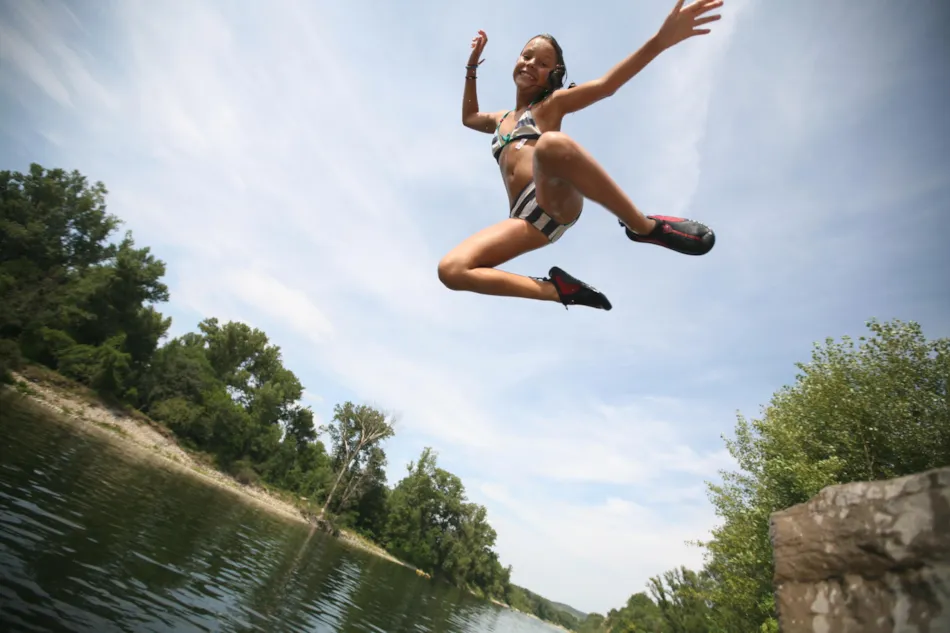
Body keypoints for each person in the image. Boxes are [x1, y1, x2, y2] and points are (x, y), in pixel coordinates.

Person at [437, 0, 722, 311]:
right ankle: (559, 291)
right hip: (523, 220)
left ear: (553, 75)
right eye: (527, 56)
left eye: (543, 63)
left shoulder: (552, 104)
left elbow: (606, 85)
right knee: (451, 269)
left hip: (552, 198)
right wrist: (472, 65)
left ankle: (645, 228)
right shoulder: (500, 118)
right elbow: (469, 117)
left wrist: (660, 41)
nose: (531, 63)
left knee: (550, 146)